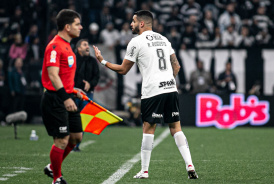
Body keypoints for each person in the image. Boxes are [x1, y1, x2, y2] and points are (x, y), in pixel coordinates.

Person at [93, 10, 198, 179]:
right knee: (176, 128)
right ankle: (190, 165)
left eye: (133, 21)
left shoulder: (136, 42)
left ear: (142, 23)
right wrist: (168, 81)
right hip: (170, 88)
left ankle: (145, 170)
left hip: (152, 91)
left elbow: (123, 69)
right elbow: (176, 66)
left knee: (148, 129)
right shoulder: (164, 39)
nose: (131, 24)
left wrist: (102, 61)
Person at [41, 9, 83, 184]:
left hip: (67, 96)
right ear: (67, 27)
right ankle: (57, 178)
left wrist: (74, 91)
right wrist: (66, 97)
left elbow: (64, 78)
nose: (80, 27)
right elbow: (53, 75)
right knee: (61, 139)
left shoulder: (68, 46)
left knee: (76, 137)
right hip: (55, 99)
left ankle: (52, 167)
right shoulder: (54, 46)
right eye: (77, 24)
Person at [73, 39, 100, 151]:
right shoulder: (72, 59)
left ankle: (76, 145)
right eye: (84, 45)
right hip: (73, 94)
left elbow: (96, 77)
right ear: (79, 48)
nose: (87, 47)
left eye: (88, 45)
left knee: (83, 119)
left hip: (87, 95)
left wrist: (90, 84)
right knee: (72, 118)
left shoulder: (93, 61)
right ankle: (69, 142)